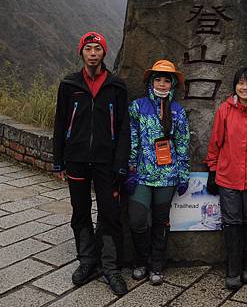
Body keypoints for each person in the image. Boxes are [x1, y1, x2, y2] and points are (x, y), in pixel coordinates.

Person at [52, 31, 129, 296]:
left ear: (104, 53)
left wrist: (121, 162)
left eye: (97, 48)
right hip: (76, 159)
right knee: (80, 210)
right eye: (89, 48)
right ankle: (87, 261)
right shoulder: (69, 85)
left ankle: (110, 266)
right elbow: (61, 122)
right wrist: (58, 159)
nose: (93, 53)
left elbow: (123, 128)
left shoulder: (116, 86)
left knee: (110, 212)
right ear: (81, 53)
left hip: (106, 162)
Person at [205, 67, 247, 290]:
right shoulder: (225, 110)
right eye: (241, 83)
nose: (245, 88)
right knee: (232, 224)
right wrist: (212, 169)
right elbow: (215, 142)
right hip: (228, 177)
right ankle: (232, 269)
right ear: (235, 85)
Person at [125, 59, 190, 285]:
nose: (162, 84)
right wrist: (131, 169)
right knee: (137, 220)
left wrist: (183, 175)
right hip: (142, 175)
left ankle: (156, 265)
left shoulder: (178, 111)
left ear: (172, 85)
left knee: (161, 221)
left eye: (166, 80)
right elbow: (132, 139)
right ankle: (140, 261)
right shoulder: (137, 107)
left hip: (168, 175)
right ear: (151, 81)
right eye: (158, 79)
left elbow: (182, 143)